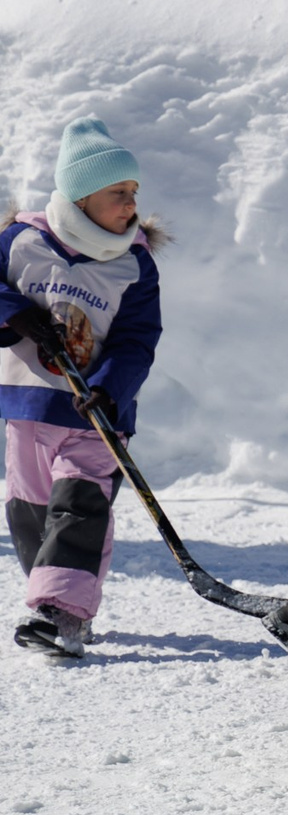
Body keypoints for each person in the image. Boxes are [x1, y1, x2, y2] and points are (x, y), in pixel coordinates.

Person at [0, 121, 164, 660]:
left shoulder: (133, 263)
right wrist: (18, 315)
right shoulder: (20, 241)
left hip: (93, 412)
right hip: (27, 405)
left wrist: (109, 390)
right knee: (29, 512)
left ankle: (60, 614)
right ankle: (51, 592)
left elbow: (139, 338)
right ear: (79, 196)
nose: (130, 205)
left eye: (134, 193)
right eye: (118, 193)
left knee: (79, 507)